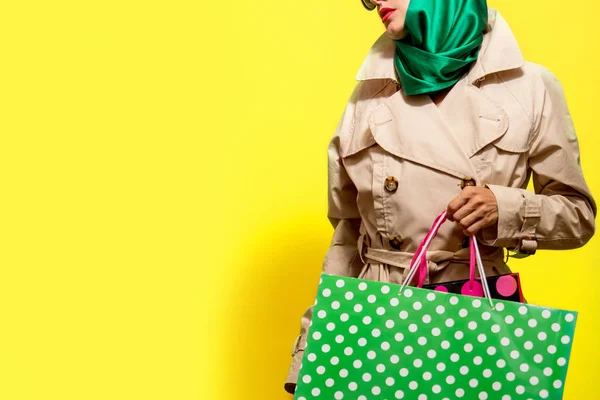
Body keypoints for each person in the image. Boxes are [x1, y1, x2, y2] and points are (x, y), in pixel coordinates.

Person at [284, 0, 596, 394]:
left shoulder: (530, 87)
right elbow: (347, 237)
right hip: (378, 320)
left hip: (475, 313)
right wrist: (312, 351)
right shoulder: (368, 95)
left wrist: (505, 208)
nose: (374, 2)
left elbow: (578, 215)